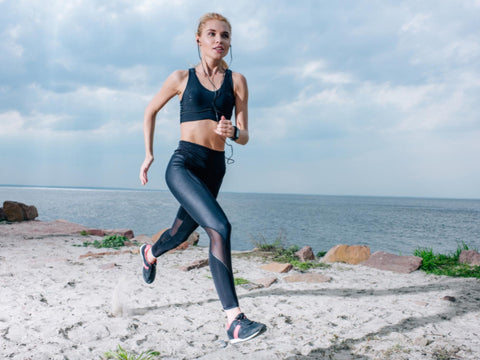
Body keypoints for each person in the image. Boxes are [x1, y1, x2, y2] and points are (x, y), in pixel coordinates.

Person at [138, 12, 266, 343]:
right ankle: (234, 320)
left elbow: (246, 134)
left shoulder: (237, 81)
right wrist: (149, 154)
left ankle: (150, 253)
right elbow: (150, 110)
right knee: (220, 228)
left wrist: (234, 131)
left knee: (180, 234)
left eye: (225, 35)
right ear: (199, 39)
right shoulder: (181, 77)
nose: (219, 40)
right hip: (183, 164)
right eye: (212, 34)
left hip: (214, 168)